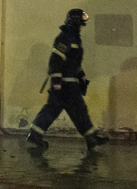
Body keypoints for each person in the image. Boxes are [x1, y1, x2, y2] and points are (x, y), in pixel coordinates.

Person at [28, 8, 102, 147]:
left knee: (66, 109)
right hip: (64, 84)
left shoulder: (73, 38)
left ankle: (35, 134)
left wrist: (81, 75)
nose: (82, 26)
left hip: (69, 83)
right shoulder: (65, 38)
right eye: (81, 22)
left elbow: (72, 62)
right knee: (74, 109)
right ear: (75, 22)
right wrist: (56, 82)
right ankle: (91, 138)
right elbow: (56, 60)